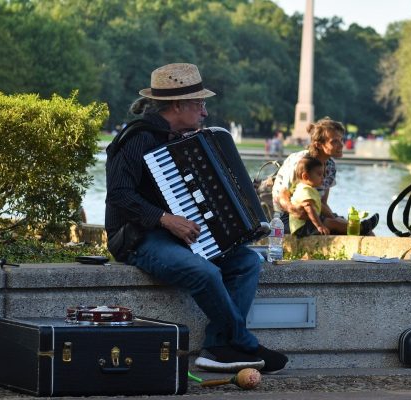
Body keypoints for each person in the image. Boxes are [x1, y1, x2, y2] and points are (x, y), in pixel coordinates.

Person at [104, 63, 287, 373]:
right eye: (200, 104)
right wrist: (164, 218)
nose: (204, 113)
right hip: (138, 238)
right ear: (178, 105)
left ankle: (217, 347)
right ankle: (242, 342)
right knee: (206, 273)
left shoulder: (184, 138)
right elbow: (119, 194)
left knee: (246, 262)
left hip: (176, 236)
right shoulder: (139, 138)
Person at [272, 117, 379, 235]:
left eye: (341, 140)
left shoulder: (331, 166)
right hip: (288, 218)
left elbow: (322, 202)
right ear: (318, 144)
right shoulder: (301, 162)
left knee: (367, 233)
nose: (341, 145)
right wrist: (294, 210)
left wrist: (334, 218)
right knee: (341, 226)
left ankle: (361, 230)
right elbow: (282, 196)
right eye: (334, 141)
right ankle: (359, 227)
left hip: (315, 213)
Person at [289, 156, 350, 237]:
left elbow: (320, 206)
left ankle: (356, 228)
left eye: (323, 174)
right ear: (305, 176)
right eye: (319, 174)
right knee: (330, 223)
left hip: (309, 223)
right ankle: (359, 229)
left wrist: (332, 217)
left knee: (333, 222)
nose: (323, 177)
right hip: (302, 227)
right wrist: (320, 226)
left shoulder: (311, 189)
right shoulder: (304, 190)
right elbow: (309, 208)